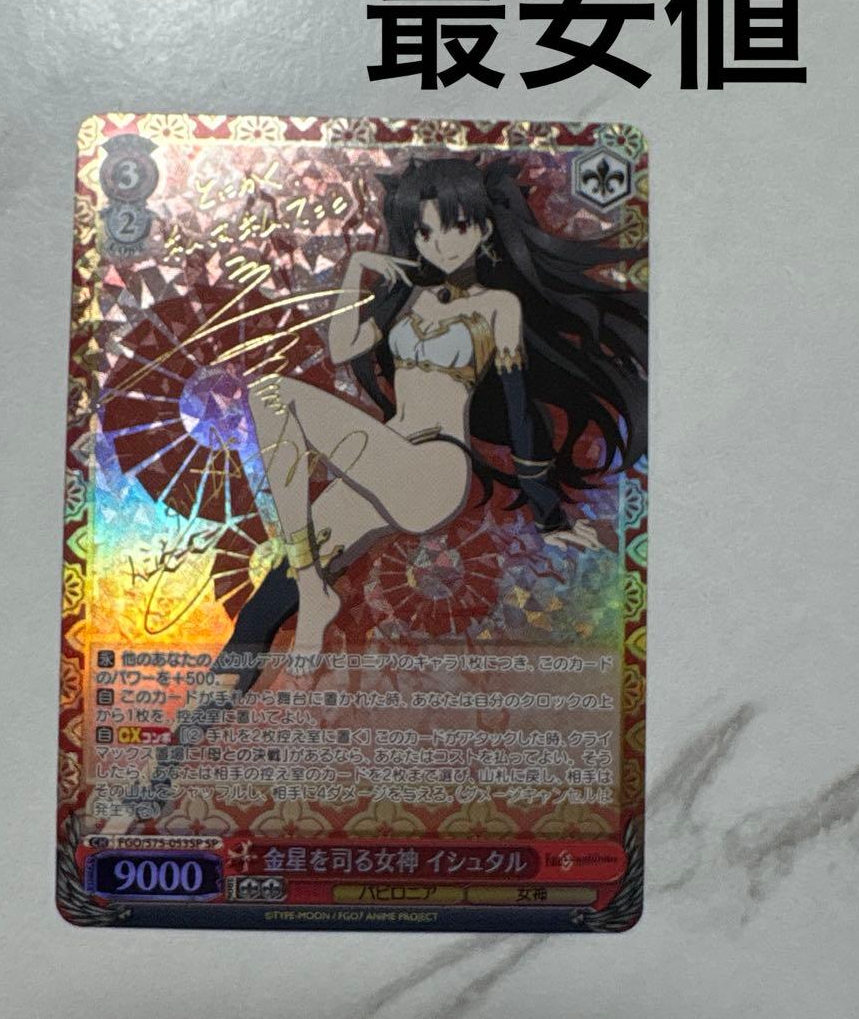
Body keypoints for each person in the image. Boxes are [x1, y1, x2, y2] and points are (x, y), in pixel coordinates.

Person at [192, 153, 647, 713]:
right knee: (264, 605)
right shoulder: (407, 296)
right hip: (382, 461)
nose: (440, 245)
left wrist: (548, 513)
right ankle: (179, 745)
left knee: (271, 393)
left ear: (484, 229)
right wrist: (357, 267)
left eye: (456, 226)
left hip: (432, 469)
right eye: (425, 232)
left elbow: (519, 406)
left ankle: (313, 590)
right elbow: (342, 347)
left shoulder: (498, 306)